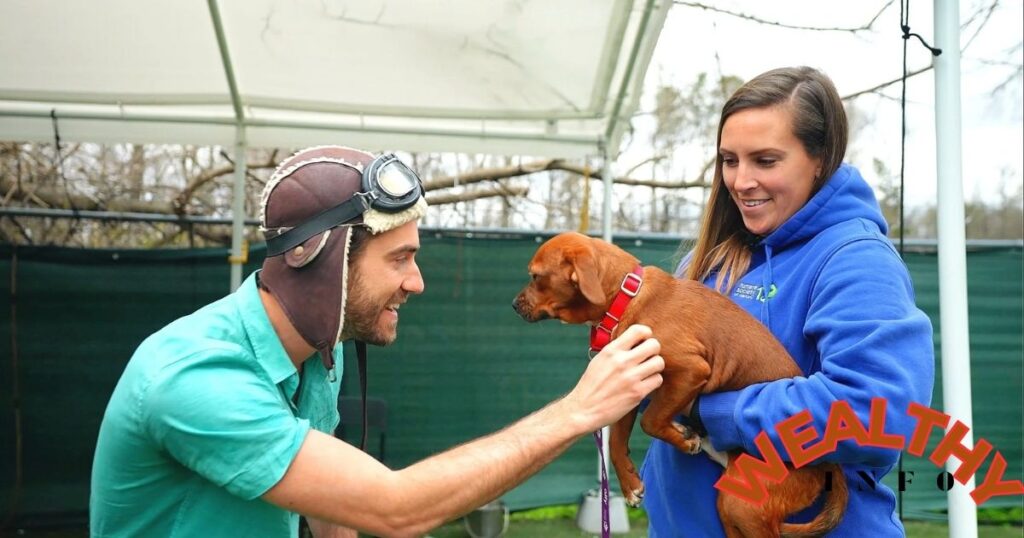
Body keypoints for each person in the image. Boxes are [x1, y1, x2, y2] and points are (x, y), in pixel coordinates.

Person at [90, 145, 665, 538]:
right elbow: (394, 507)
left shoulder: (318, 349)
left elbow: (326, 507)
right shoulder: (198, 379)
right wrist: (577, 411)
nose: (417, 282)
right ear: (322, 263)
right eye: (400, 259)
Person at [639, 67, 935, 536]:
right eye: (729, 160)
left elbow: (881, 411)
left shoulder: (854, 259)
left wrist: (712, 413)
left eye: (766, 160)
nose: (740, 181)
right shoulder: (709, 257)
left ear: (820, 159)